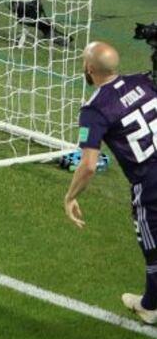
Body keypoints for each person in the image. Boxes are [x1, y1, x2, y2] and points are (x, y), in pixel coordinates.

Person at [64, 41, 157, 324]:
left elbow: (89, 165)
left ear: (89, 69)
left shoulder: (94, 109)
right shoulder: (142, 81)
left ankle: (150, 308)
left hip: (150, 184)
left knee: (154, 250)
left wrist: (69, 197)